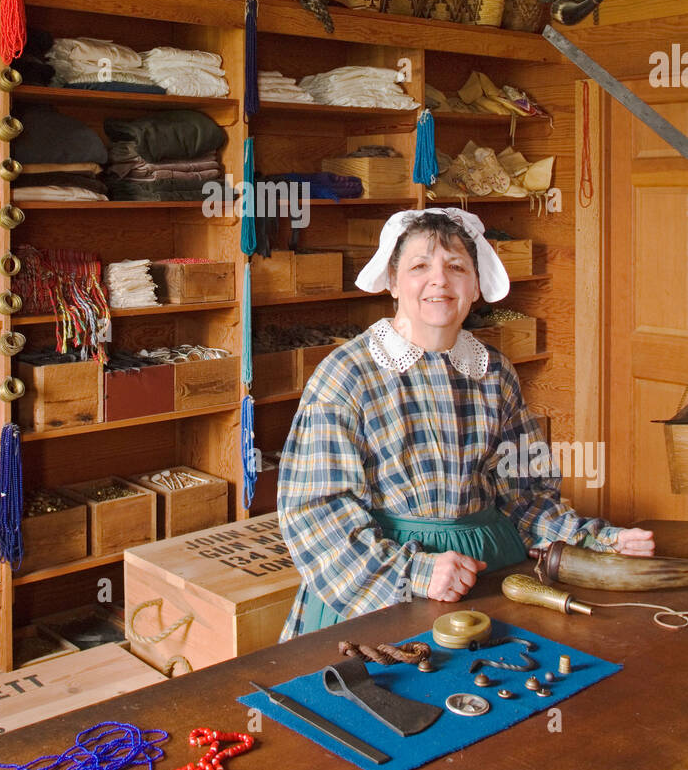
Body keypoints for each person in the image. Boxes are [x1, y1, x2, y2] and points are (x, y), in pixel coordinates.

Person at [277, 207, 653, 639]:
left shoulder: (494, 371)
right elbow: (314, 511)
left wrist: (597, 541)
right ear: (393, 282)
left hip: (490, 572)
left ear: (475, 286)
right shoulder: (347, 374)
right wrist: (416, 573)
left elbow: (526, 495)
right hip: (386, 586)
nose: (439, 279)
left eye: (456, 266)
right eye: (420, 266)